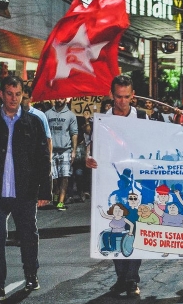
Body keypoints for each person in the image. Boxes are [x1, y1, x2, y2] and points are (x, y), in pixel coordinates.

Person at [86, 75, 147, 298]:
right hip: (110, 181)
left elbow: (154, 141)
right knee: (115, 226)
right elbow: (92, 146)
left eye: (126, 97)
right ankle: (121, 276)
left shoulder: (142, 116)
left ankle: (132, 278)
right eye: (118, 97)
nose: (122, 102)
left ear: (132, 95)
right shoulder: (102, 119)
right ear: (112, 95)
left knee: (133, 227)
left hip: (135, 183)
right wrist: (88, 157)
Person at [0, 76, 51, 300]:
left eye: (17, 94)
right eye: (9, 93)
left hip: (25, 191)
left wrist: (45, 191)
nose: (13, 98)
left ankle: (31, 274)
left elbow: (42, 158)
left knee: (28, 235)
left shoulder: (33, 122)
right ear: (1, 94)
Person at [21, 85, 53, 209]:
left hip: (35, 159)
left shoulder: (39, 116)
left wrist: (48, 159)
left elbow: (48, 140)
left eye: (25, 98)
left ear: (31, 99)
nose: (21, 101)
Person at [45, 98, 78, 211]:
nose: (59, 100)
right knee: (52, 176)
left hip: (65, 150)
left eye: (62, 98)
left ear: (66, 100)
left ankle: (61, 201)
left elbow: (74, 133)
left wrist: (73, 151)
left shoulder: (71, 115)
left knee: (65, 176)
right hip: (51, 150)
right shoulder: (47, 114)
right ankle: (56, 192)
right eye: (57, 97)